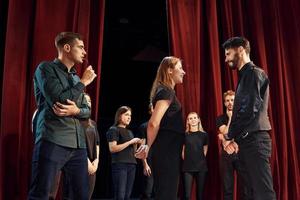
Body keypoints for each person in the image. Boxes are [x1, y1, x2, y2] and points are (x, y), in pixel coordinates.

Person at [29, 32, 97, 199]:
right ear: (67, 48)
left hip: (78, 145)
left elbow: (86, 110)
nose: (84, 52)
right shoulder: (45, 68)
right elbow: (60, 99)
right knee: (42, 193)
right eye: (80, 47)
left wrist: (77, 111)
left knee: (81, 195)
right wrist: (83, 82)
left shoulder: (75, 77)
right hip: (53, 139)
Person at [221, 36, 276, 200]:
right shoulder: (245, 76)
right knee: (251, 193)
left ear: (240, 50)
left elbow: (248, 109)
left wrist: (229, 136)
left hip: (255, 142)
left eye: (228, 54)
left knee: (263, 193)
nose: (226, 59)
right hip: (246, 143)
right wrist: (234, 138)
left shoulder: (253, 73)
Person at [136, 56, 186, 200]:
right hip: (166, 151)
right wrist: (147, 147)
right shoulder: (166, 91)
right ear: (169, 70)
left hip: (168, 150)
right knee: (167, 194)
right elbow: (153, 123)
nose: (183, 72)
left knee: (166, 193)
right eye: (180, 68)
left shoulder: (165, 91)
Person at [216, 90, 252, 200]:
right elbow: (225, 133)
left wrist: (230, 140)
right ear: (224, 103)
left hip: (240, 153)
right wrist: (230, 118)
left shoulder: (243, 117)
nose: (230, 103)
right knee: (228, 189)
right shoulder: (220, 118)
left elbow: (243, 135)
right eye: (227, 101)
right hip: (227, 155)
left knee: (246, 187)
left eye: (232, 100)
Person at [106, 106, 143, 200]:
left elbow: (134, 152)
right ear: (119, 116)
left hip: (132, 165)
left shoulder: (130, 132)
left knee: (127, 196)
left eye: (130, 115)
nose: (129, 117)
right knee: (120, 195)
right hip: (120, 165)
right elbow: (112, 148)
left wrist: (139, 145)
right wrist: (130, 142)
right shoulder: (113, 130)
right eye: (126, 114)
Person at [182, 112, 208, 200]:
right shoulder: (184, 135)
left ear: (198, 120)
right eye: (190, 118)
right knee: (187, 195)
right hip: (187, 167)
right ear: (188, 121)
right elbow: (183, 152)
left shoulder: (204, 135)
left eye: (194, 118)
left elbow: (205, 151)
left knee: (200, 195)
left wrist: (198, 160)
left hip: (201, 167)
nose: (193, 120)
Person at [82, 94, 100, 200]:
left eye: (90, 101)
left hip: (93, 165)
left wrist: (96, 160)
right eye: (85, 100)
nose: (88, 103)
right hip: (80, 162)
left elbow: (97, 143)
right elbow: (77, 143)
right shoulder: (75, 121)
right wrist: (87, 161)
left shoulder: (93, 123)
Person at [138, 104, 154, 200]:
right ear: (150, 111)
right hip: (149, 161)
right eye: (154, 107)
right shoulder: (144, 126)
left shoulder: (164, 126)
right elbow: (142, 146)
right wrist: (145, 164)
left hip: (162, 163)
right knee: (147, 191)